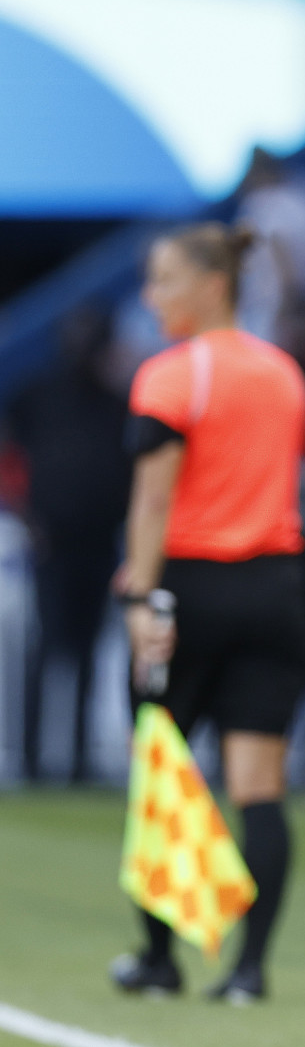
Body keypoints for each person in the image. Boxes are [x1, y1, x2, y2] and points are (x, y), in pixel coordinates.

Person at [107, 223, 305, 1005]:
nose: (152, 296)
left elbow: (154, 499)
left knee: (159, 770)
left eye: (164, 280)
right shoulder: (283, 374)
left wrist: (140, 597)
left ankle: (160, 958)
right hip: (274, 587)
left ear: (211, 283)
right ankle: (250, 970)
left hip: (189, 588)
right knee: (258, 785)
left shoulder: (170, 376)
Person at [0, 306, 130, 782]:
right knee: (46, 649)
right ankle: (33, 758)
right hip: (50, 543)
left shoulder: (116, 404)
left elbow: (130, 473)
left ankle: (76, 760)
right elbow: (10, 454)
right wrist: (23, 511)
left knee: (89, 651)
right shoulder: (37, 395)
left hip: (97, 543)